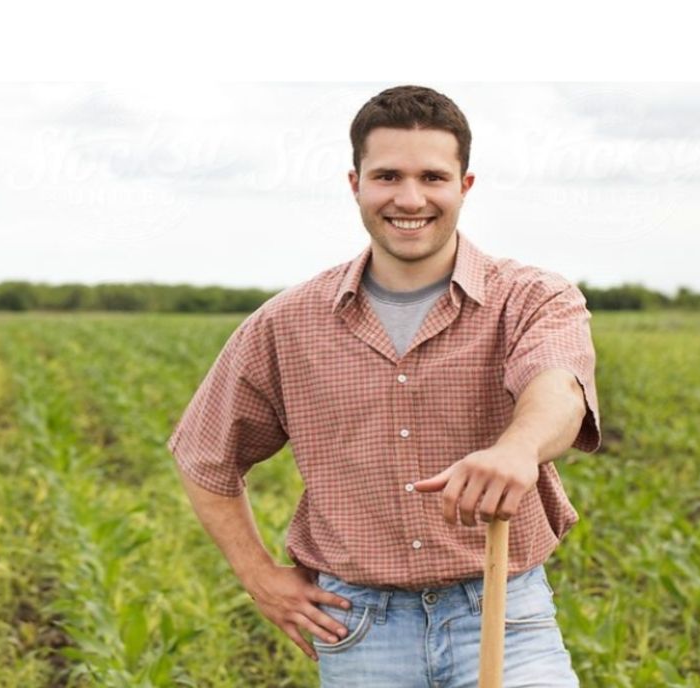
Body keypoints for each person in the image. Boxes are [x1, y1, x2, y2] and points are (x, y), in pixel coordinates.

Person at [166, 85, 601, 687]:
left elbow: (559, 387)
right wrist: (258, 576)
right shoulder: (287, 322)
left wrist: (518, 448)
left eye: (433, 177)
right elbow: (203, 454)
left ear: (464, 186)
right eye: (388, 176)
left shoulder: (532, 297)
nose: (410, 198)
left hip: (501, 612)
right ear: (356, 184)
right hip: (360, 627)